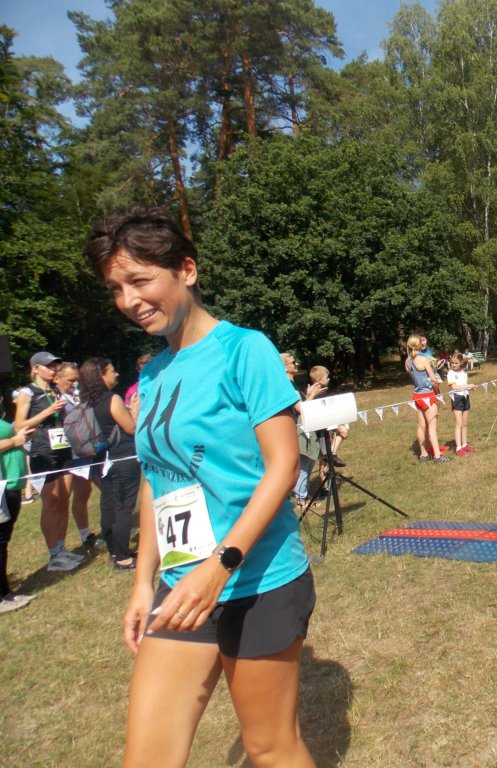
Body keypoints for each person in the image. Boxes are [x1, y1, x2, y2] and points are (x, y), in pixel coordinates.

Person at [85, 206, 316, 768]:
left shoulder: (245, 350)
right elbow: (158, 478)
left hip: (257, 580)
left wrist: (220, 566)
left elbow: (284, 466)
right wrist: (143, 584)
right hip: (181, 587)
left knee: (270, 748)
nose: (129, 300)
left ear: (186, 269)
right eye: (116, 289)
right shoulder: (153, 373)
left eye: (139, 280)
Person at [13, 351, 81, 572]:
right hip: (43, 450)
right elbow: (19, 425)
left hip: (62, 447)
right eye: (48, 366)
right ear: (35, 368)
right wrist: (48, 411)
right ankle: (53, 555)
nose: (52, 370)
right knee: (51, 503)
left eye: (54, 366)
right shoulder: (27, 392)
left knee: (64, 499)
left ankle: (61, 548)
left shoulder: (54, 389)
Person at [78, 358, 140, 571]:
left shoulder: (87, 401)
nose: (116, 374)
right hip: (123, 457)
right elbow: (131, 428)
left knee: (108, 505)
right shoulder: (112, 399)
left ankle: (114, 549)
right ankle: (122, 557)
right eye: (112, 371)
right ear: (101, 375)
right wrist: (134, 410)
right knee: (123, 507)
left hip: (102, 459)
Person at [54, 361, 105, 552]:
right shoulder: (55, 399)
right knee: (75, 495)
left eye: (77, 379)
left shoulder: (79, 395)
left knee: (92, 491)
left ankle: (96, 531)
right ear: (57, 379)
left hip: (88, 451)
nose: (74, 383)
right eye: (70, 380)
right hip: (69, 456)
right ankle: (78, 538)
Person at [1, 405, 36, 613]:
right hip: (3, 487)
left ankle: (5, 591)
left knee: (3, 540)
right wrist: (15, 441)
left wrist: (19, 438)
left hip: (10, 485)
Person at [281, 352, 325, 507]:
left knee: (309, 460)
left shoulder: (291, 384)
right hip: (297, 427)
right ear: (284, 367)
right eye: (293, 362)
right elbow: (300, 408)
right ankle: (301, 500)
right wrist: (312, 395)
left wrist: (308, 395)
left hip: (302, 425)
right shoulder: (286, 384)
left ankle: (303, 496)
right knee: (304, 462)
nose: (297, 364)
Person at [406, 335, 450, 464]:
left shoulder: (407, 361)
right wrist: (437, 391)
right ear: (419, 345)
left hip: (417, 395)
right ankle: (437, 456)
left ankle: (423, 455)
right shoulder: (423, 359)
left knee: (421, 427)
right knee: (432, 427)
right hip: (428, 395)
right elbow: (433, 380)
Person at [445, 352, 479, 456]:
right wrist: (467, 386)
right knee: (459, 424)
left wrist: (470, 387)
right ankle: (458, 448)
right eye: (452, 363)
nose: (453, 365)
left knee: (465, 423)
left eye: (456, 363)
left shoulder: (464, 373)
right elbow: (454, 387)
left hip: (465, 397)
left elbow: (464, 386)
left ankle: (464, 444)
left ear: (461, 363)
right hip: (457, 399)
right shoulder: (451, 373)